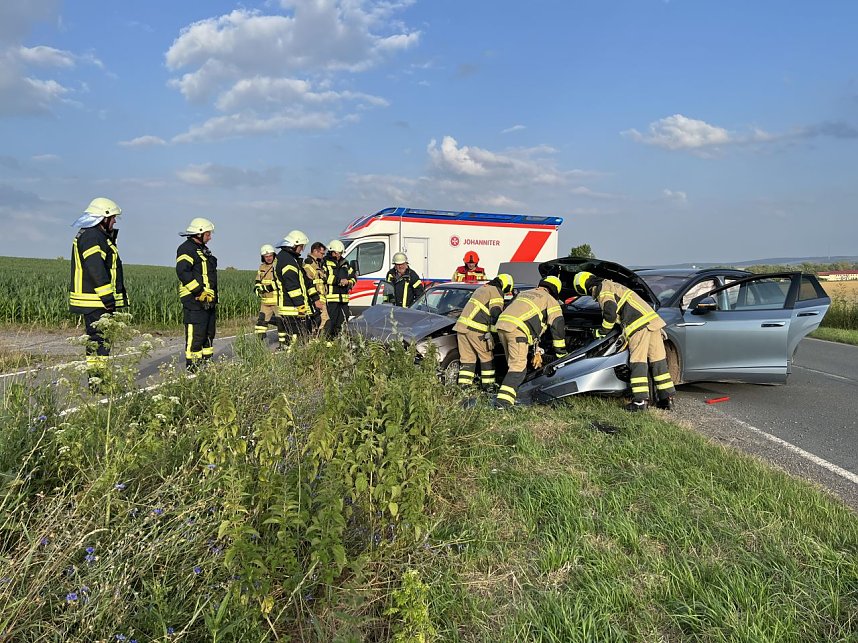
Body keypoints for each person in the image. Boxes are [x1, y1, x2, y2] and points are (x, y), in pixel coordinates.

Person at [573, 271, 676, 412]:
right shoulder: (612, 285)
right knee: (658, 361)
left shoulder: (603, 289)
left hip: (639, 325)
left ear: (583, 287)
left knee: (638, 362)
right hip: (653, 322)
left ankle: (640, 401)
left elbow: (610, 314)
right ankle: (667, 399)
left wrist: (601, 332)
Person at [69, 197, 128, 391]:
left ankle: (99, 382)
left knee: (101, 343)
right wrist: (107, 297)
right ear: (103, 218)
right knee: (98, 343)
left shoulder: (97, 236)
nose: (115, 221)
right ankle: (98, 384)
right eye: (112, 217)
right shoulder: (93, 237)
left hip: (97, 300)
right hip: (96, 301)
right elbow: (95, 268)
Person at [494, 276, 567, 408]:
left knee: (512, 364)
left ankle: (511, 394)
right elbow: (557, 326)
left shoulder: (524, 293)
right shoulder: (550, 300)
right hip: (518, 331)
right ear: (555, 290)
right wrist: (561, 353)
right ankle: (502, 403)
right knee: (518, 367)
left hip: (502, 326)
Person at [453, 274, 514, 390]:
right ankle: (489, 387)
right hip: (476, 330)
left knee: (467, 359)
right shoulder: (496, 292)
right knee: (487, 358)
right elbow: (495, 314)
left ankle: (464, 388)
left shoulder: (482, 288)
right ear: (506, 286)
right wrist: (496, 334)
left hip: (461, 328)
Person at [176, 217, 218, 371]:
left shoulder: (202, 250)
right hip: (194, 300)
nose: (210, 237)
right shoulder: (186, 249)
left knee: (208, 334)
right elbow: (182, 271)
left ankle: (206, 363)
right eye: (208, 234)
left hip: (207, 300)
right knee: (196, 335)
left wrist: (209, 296)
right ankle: (193, 367)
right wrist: (198, 291)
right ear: (199, 233)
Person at [274, 230, 318, 350]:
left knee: (296, 341)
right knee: (295, 342)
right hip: (292, 309)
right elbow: (292, 287)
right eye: (301, 247)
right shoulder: (287, 261)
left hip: (293, 308)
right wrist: (301, 308)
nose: (302, 250)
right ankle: (291, 366)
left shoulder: (286, 258)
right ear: (294, 245)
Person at [323, 239, 356, 339]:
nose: (338, 255)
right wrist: (339, 281)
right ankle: (329, 341)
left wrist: (349, 282)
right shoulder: (325, 263)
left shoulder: (345, 263)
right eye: (337, 253)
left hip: (344, 299)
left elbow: (353, 277)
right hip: (332, 299)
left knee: (343, 320)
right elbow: (325, 277)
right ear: (332, 252)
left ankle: (338, 339)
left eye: (340, 253)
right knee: (332, 321)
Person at [253, 244, 281, 342]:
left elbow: (279, 282)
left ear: (274, 255)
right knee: (261, 323)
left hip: (277, 300)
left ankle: (284, 344)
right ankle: (258, 345)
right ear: (263, 257)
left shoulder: (278, 266)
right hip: (265, 302)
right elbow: (258, 279)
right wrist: (257, 287)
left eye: (270, 256)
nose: (268, 258)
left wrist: (265, 288)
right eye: (266, 256)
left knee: (281, 323)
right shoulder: (262, 267)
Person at [303, 241, 328, 335]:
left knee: (322, 321)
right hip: (315, 298)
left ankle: (317, 340)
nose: (323, 255)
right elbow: (309, 283)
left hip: (321, 297)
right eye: (321, 253)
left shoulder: (318, 264)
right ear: (315, 251)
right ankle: (318, 341)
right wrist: (315, 299)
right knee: (322, 321)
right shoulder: (309, 265)